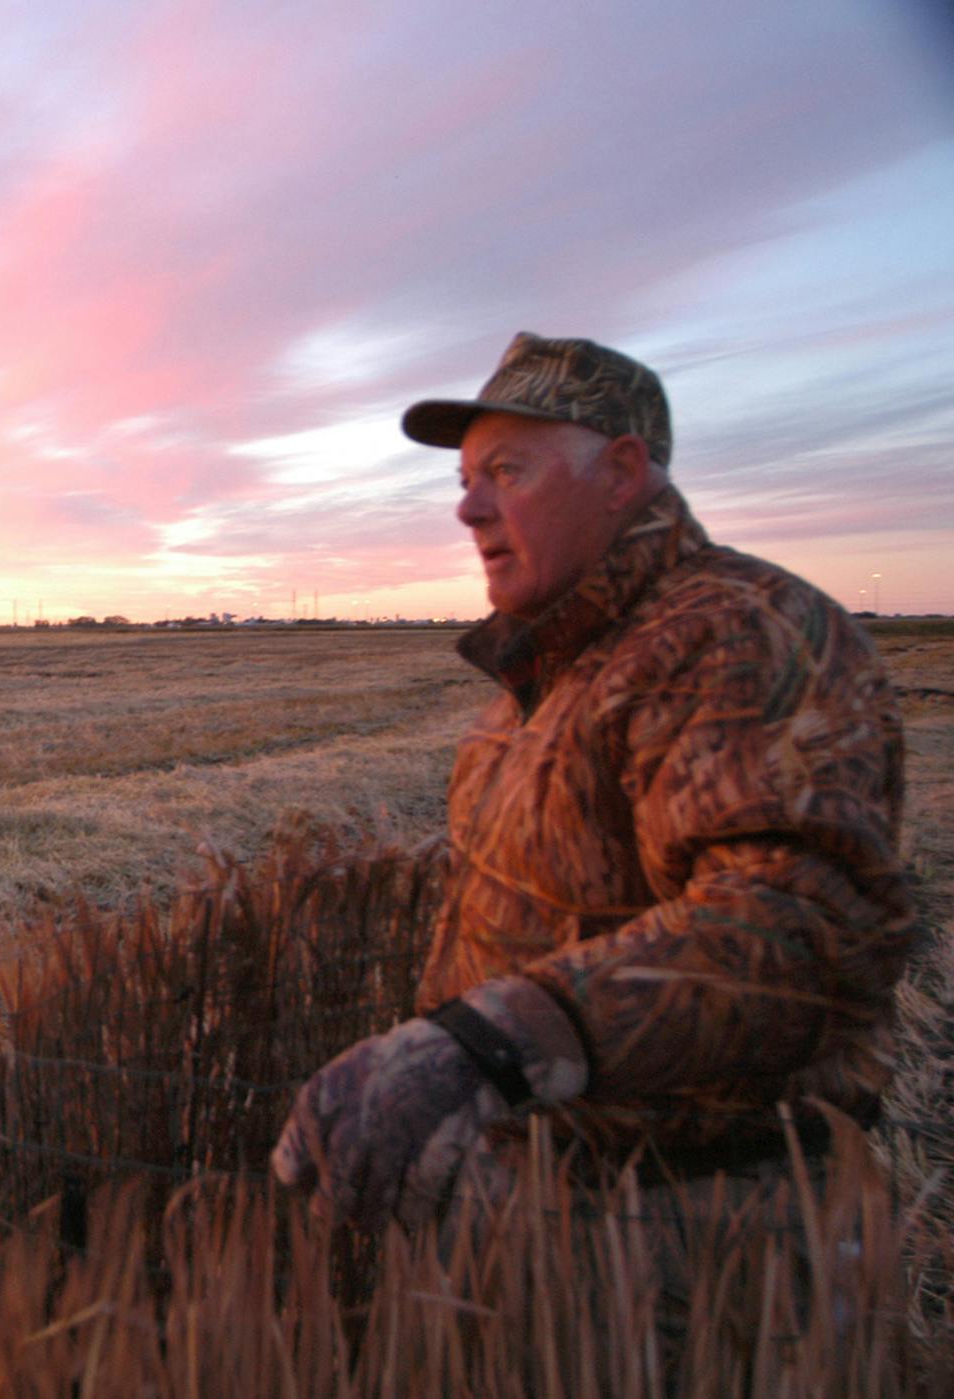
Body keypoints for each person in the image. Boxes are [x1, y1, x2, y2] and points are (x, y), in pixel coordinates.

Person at [270, 332, 914, 1232]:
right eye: (464, 482)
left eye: (508, 471)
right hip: (534, 1202)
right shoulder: (549, 673)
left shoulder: (735, 632)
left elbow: (800, 927)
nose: (470, 510)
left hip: (697, 1234)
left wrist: (493, 1044)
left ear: (620, 472)